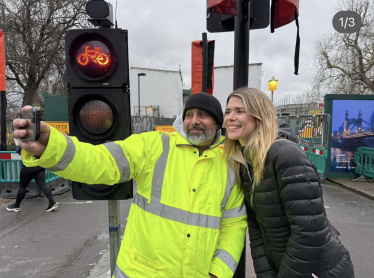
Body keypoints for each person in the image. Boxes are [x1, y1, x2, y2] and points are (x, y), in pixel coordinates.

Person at [13, 94, 247, 278]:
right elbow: (99, 161)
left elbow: (234, 225)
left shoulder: (230, 164)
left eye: (203, 115)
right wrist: (52, 146)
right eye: (189, 114)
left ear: (217, 123)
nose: (194, 121)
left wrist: (218, 273)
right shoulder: (155, 145)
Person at [223, 87, 355, 278]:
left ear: (260, 115)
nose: (230, 117)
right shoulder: (244, 162)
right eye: (228, 111)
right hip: (285, 267)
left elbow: (309, 231)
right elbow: (257, 228)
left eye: (239, 111)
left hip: (318, 269)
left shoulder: (285, 154)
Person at [6, 140, 58, 212]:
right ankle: (52, 202)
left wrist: (18, 144)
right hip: (40, 166)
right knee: (43, 185)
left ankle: (16, 205)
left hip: (28, 167)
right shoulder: (40, 142)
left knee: (22, 186)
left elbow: (18, 151)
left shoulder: (24, 143)